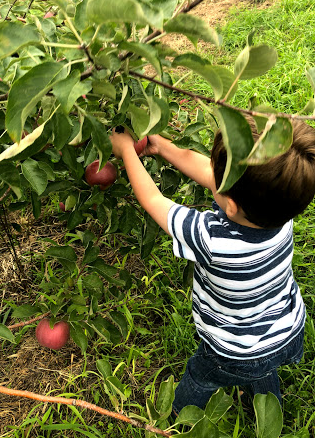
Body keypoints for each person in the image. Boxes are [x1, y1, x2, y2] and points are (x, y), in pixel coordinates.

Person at [109, 117, 315, 415]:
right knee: (262, 370)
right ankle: (268, 409)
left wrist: (127, 151)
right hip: (287, 330)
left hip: (232, 352)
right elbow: (212, 175)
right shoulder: (283, 205)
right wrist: (163, 147)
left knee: (200, 376)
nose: (211, 174)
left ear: (230, 203)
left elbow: (152, 199)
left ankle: (177, 416)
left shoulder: (211, 238)